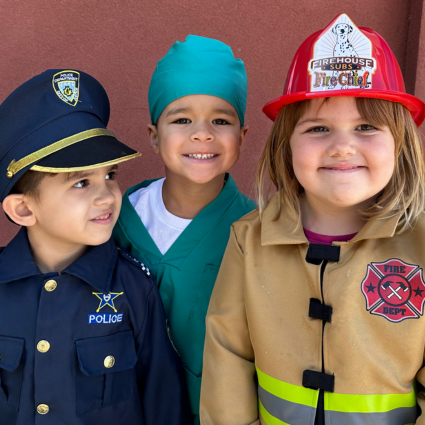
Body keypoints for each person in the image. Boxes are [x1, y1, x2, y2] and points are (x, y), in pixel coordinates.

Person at [200, 13, 425, 425]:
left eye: (366, 126)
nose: (342, 147)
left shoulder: (422, 246)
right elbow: (226, 357)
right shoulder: (248, 240)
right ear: (287, 145)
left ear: (402, 143)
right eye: (318, 128)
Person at [0, 69, 190, 425]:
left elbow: (162, 401)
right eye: (81, 182)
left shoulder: (134, 289)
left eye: (110, 176)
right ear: (23, 208)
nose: (106, 195)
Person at [113, 35, 256, 424]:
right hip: (122, 402)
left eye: (221, 120)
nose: (202, 133)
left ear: (242, 138)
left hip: (206, 409)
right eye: (181, 119)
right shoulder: (121, 215)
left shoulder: (253, 231)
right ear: (154, 136)